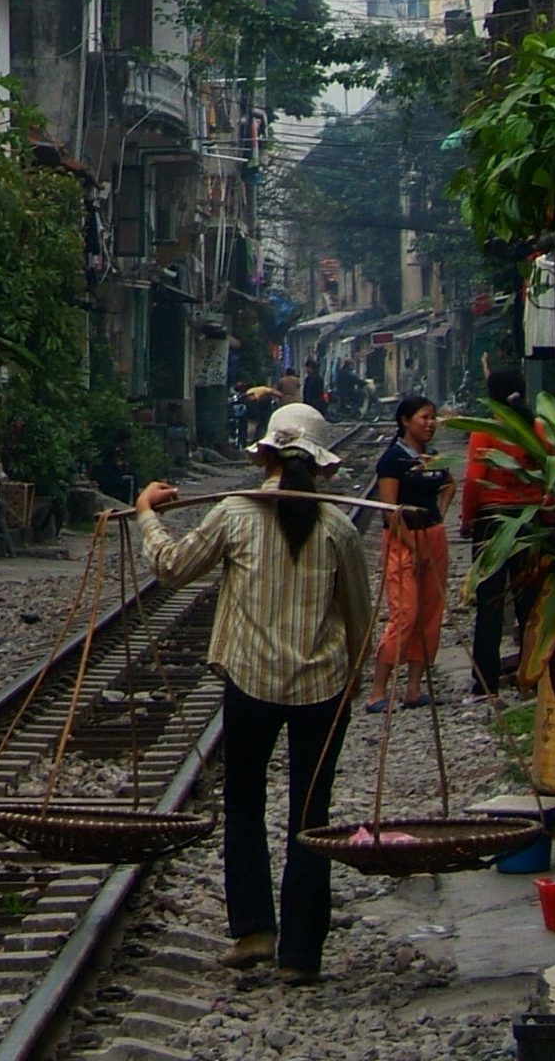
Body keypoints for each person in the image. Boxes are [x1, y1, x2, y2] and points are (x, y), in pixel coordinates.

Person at [135, 405, 373, 986]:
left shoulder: (235, 515)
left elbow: (170, 568)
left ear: (265, 456)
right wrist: (356, 677)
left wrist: (146, 514)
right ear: (319, 469)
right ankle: (300, 956)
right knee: (310, 815)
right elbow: (360, 621)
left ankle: (254, 929)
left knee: (244, 801)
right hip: (322, 689)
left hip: (251, 683)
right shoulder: (338, 527)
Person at [366, 395, 453, 711]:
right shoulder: (392, 460)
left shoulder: (433, 457)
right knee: (406, 612)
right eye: (424, 417)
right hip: (403, 539)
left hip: (433, 536)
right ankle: (377, 691)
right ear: (405, 421)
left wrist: (440, 514)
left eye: (433, 418)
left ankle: (414, 688)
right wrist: (414, 548)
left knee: (431, 613)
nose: (430, 424)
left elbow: (448, 485)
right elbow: (390, 512)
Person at [462, 365, 545, 695]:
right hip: (531, 521)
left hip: (493, 522)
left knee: (490, 602)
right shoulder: (537, 429)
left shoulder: (485, 432)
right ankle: (534, 674)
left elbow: (473, 480)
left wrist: (468, 520)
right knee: (532, 600)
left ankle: (486, 680)